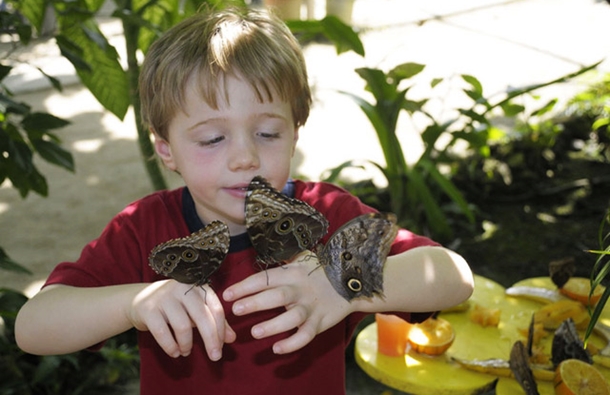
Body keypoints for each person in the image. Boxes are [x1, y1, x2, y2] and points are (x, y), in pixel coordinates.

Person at [15, 7, 474, 394]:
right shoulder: (143, 230)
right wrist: (134, 303)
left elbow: (452, 277)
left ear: (296, 131)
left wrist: (342, 282)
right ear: (166, 149)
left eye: (267, 133)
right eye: (213, 139)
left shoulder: (328, 219)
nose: (245, 157)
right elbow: (33, 327)